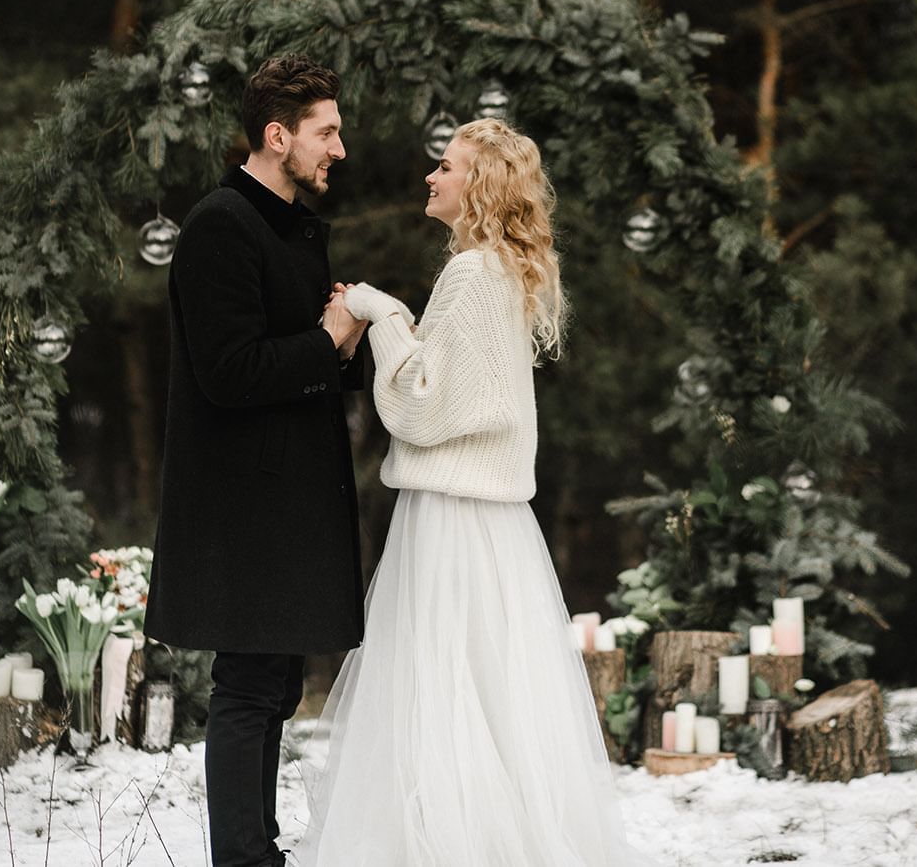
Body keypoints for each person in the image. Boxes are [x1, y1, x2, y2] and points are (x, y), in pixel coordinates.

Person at [290, 117, 638, 866]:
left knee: (442, 686)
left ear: (477, 184)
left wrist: (379, 312)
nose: (431, 177)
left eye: (445, 167)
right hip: (490, 519)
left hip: (452, 515)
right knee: (485, 688)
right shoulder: (495, 273)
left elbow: (423, 405)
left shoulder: (474, 273)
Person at [143, 53, 369, 867]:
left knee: (274, 685)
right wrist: (328, 339)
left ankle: (258, 851)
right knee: (246, 686)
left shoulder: (294, 228)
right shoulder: (219, 225)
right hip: (243, 506)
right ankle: (242, 860)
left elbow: (308, 358)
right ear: (278, 137)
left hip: (291, 500)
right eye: (326, 132)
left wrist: (344, 344)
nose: (339, 149)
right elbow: (230, 372)